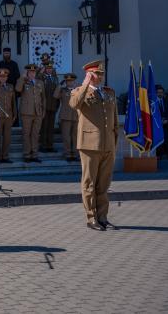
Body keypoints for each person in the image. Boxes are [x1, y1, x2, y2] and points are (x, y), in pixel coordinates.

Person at [70, 60, 119, 231]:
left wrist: (114, 142)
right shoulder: (79, 92)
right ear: (89, 75)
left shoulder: (109, 93)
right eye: (96, 74)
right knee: (89, 183)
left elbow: (114, 120)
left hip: (108, 145)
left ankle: (103, 217)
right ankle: (91, 218)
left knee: (104, 184)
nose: (100, 76)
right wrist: (84, 84)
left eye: (101, 74)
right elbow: (74, 104)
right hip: (90, 145)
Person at [16, 64, 45, 163]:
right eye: (30, 72)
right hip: (26, 113)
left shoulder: (40, 82)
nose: (32, 74)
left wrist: (43, 111)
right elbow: (18, 89)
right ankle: (27, 155)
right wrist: (22, 77)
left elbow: (43, 98)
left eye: (34, 72)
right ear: (27, 73)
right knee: (26, 134)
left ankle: (34, 155)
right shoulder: (23, 82)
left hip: (38, 113)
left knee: (35, 134)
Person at [54, 73, 80, 162]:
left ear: (74, 81)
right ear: (66, 82)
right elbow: (55, 96)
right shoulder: (63, 90)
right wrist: (59, 86)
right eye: (68, 81)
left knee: (75, 136)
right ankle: (68, 154)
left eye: (71, 81)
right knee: (66, 137)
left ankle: (75, 154)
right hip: (65, 116)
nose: (70, 83)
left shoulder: (78, 90)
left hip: (76, 116)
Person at [38, 62, 60, 153]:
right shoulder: (42, 78)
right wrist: (40, 72)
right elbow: (36, 80)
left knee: (51, 127)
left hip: (53, 106)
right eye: (47, 68)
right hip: (45, 106)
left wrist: (57, 105)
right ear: (45, 69)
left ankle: (50, 145)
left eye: (50, 68)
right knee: (44, 126)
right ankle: (43, 145)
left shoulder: (55, 79)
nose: (49, 70)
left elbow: (57, 92)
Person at [155, 85, 168, 160]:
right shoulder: (153, 102)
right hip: (157, 124)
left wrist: (167, 120)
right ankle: (158, 155)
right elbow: (153, 113)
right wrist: (160, 121)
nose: (160, 94)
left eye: (161, 92)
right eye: (158, 92)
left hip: (166, 124)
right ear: (156, 93)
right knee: (158, 139)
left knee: (167, 139)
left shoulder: (166, 100)